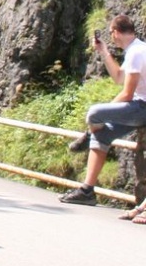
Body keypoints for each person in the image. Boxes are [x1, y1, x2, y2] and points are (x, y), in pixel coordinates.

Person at [60, 14, 146, 206]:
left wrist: (105, 112)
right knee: (102, 135)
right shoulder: (136, 50)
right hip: (139, 106)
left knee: (94, 113)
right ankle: (87, 190)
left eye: (110, 34)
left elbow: (127, 94)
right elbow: (118, 77)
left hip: (142, 107)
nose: (111, 37)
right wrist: (103, 51)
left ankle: (88, 133)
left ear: (116, 32)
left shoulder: (136, 53)